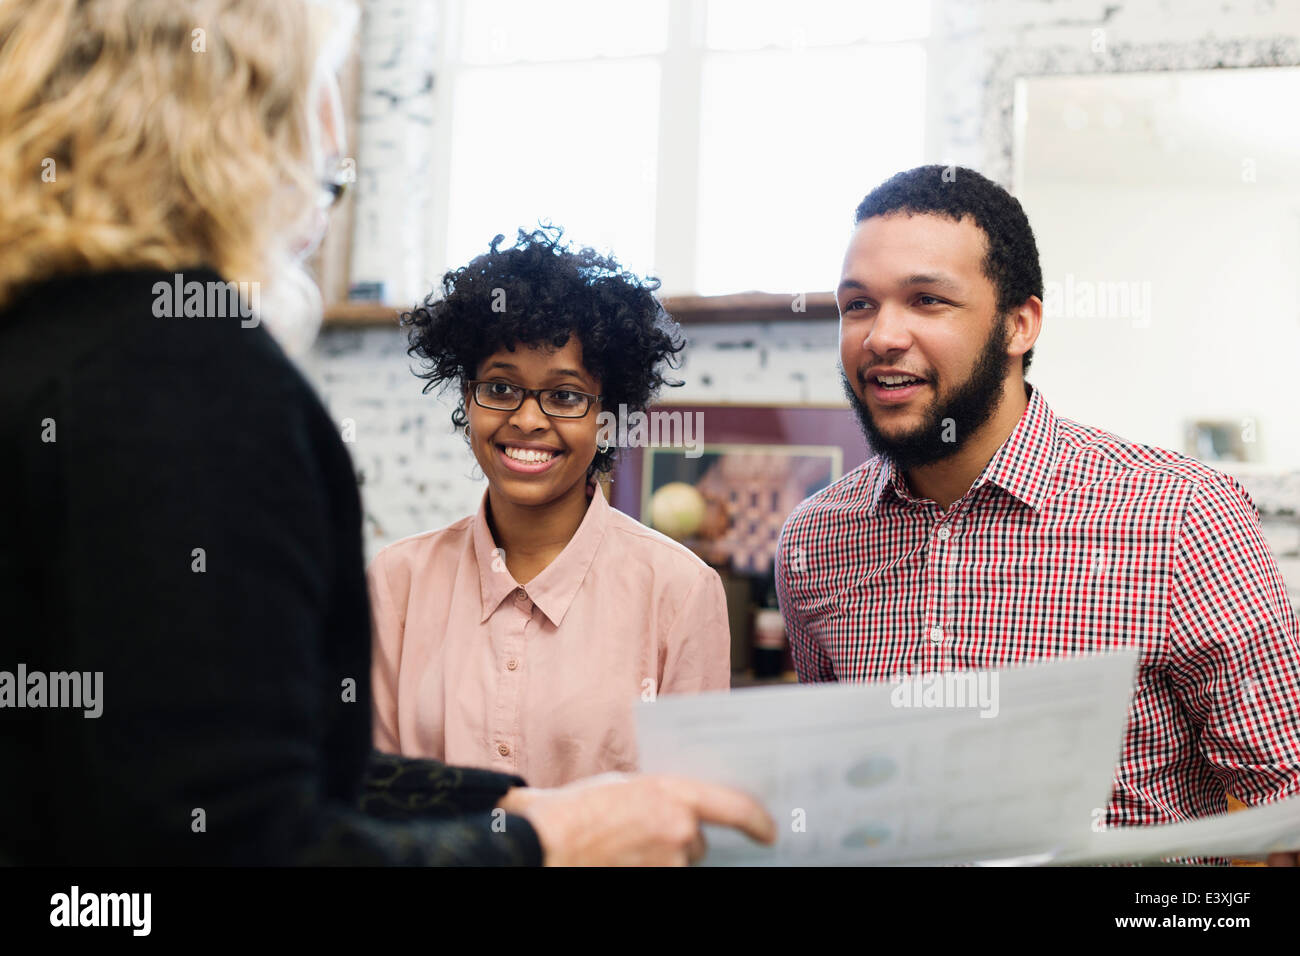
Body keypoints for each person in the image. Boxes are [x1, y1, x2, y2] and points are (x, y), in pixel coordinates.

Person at [0, 0, 773, 866]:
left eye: (565, 397)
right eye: (325, 157)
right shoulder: (191, 387)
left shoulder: (41, 349)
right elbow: (245, 834)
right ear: (246, 126)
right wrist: (543, 840)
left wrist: (510, 806)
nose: (324, 199)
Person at [774, 164, 1300, 866]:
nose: (880, 336)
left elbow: (1286, 805)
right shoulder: (816, 539)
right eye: (858, 304)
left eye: (927, 300)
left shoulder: (1180, 516)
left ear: (1020, 323)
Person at [368, 227, 732, 787]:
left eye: (564, 396)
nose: (529, 420)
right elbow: (373, 800)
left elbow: (691, 815)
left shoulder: (679, 592)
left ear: (607, 414)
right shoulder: (397, 583)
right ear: (467, 397)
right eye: (500, 388)